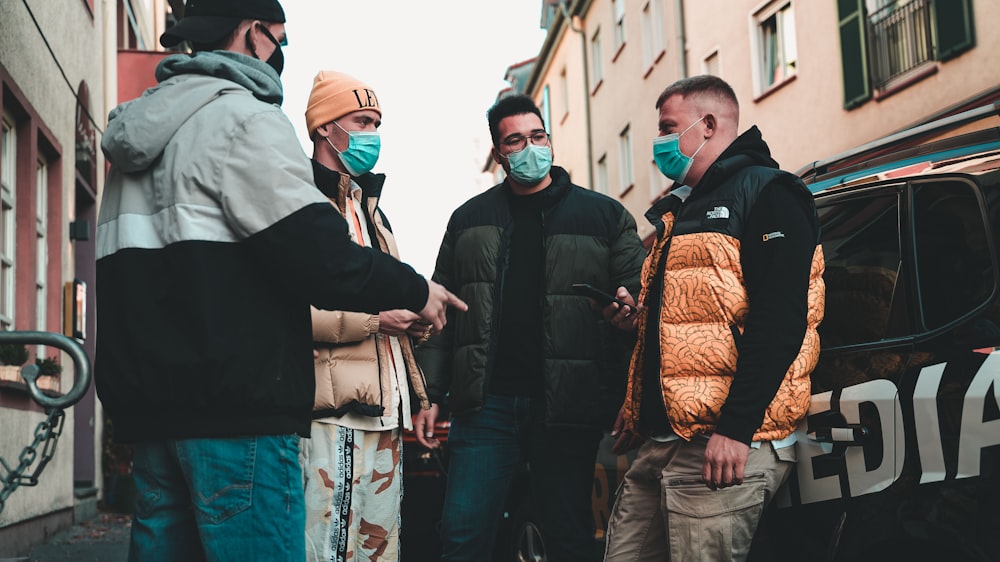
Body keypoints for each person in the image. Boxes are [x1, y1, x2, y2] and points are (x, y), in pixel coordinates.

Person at [94, 2, 465, 561]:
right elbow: (321, 256)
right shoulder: (243, 119)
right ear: (252, 32)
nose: (281, 54)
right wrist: (419, 289)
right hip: (235, 414)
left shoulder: (133, 143)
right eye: (280, 39)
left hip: (152, 417)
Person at [600, 75, 825, 562]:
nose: (659, 143)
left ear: (707, 125)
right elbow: (689, 325)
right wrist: (637, 390)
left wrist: (736, 428)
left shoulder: (771, 192)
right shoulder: (679, 211)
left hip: (722, 444)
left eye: (667, 127)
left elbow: (781, 317)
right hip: (661, 441)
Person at [413, 94, 647, 562]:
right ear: (500, 154)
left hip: (567, 404)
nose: (530, 147)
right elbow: (440, 312)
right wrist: (430, 395)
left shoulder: (604, 216)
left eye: (537, 136)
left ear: (550, 142)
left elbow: (641, 307)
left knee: (569, 536)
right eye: (516, 140)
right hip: (485, 408)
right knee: (461, 535)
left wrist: (628, 334)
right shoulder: (468, 219)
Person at [298, 70, 430, 562]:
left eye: (377, 122)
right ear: (325, 127)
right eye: (362, 121)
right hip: (334, 413)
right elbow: (289, 310)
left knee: (380, 551)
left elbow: (391, 306)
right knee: (325, 551)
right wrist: (378, 322)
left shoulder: (371, 209)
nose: (372, 133)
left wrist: (418, 326)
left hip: (385, 410)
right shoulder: (303, 203)